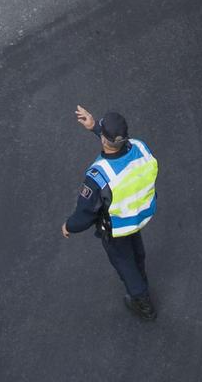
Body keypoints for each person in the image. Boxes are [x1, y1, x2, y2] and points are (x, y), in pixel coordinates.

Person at [62, 105, 159, 321]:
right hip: (138, 214)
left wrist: (68, 226)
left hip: (117, 227)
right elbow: (121, 145)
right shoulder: (141, 148)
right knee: (137, 253)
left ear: (105, 140)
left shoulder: (99, 175)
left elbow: (85, 214)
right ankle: (141, 276)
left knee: (124, 262)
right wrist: (95, 126)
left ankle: (142, 303)